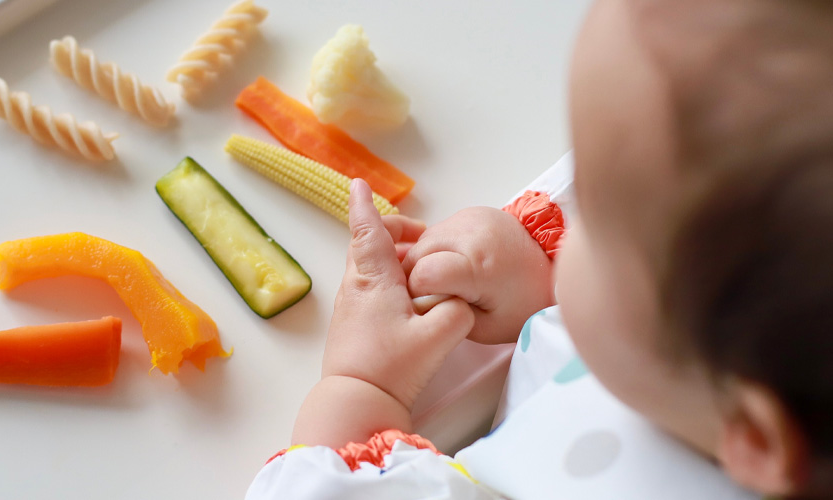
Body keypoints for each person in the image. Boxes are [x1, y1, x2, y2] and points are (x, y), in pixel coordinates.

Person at [247, 0, 833, 498]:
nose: (567, 228)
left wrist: (360, 388)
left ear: (754, 437)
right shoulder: (719, 370)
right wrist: (533, 285)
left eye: (596, 233)